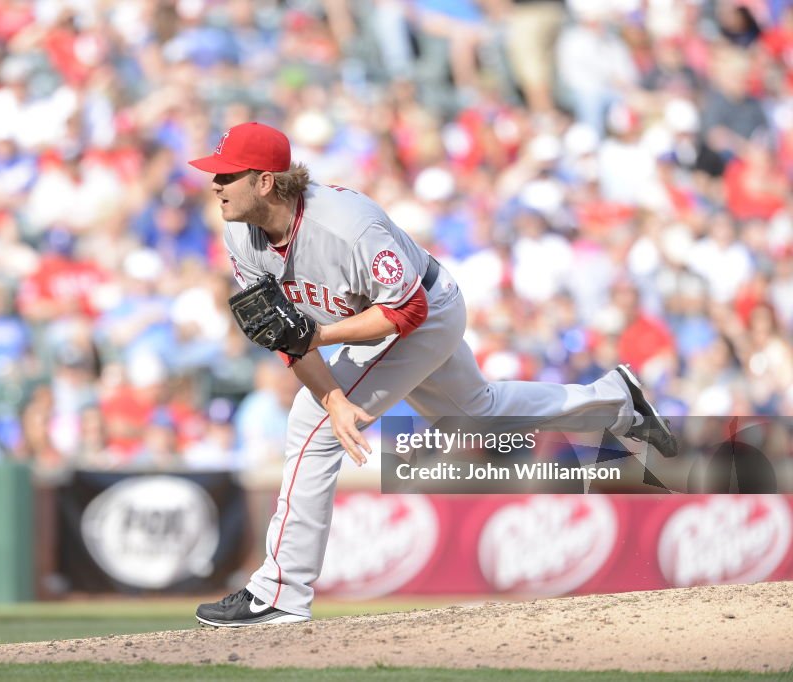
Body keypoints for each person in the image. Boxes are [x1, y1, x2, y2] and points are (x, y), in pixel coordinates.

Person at [187, 122, 678, 627]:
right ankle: (617, 400)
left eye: (226, 174)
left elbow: (407, 311)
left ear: (265, 181)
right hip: (370, 323)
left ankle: (280, 592)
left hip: (425, 311)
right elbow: (282, 330)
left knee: (309, 430)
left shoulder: (347, 225)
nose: (215, 184)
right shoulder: (239, 233)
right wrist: (332, 393)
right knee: (475, 412)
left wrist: (320, 350)